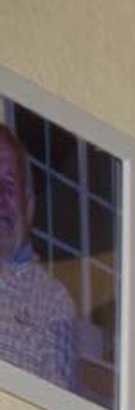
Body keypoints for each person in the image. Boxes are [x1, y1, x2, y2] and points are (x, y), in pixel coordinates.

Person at [0, 123, 77, 391]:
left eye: (10, 185)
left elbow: (58, 409)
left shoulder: (52, 301)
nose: (1, 197)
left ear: (28, 205)